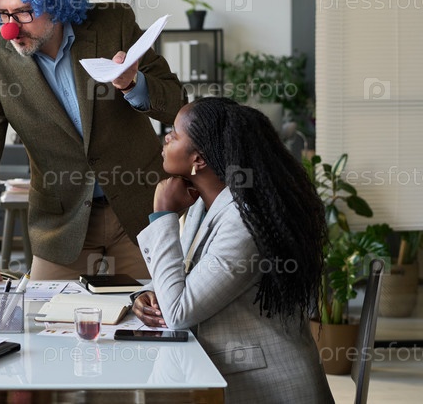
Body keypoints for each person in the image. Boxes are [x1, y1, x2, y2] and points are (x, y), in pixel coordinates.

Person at [0, 0, 185, 283]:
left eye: (24, 12)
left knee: (155, 311)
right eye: (3, 14)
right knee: (44, 316)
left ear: (56, 0)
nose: (10, 29)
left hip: (140, 211)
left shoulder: (113, 24)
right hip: (63, 225)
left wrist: (132, 84)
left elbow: (176, 104)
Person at [132, 97, 333, 403]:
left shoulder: (244, 221)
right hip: (225, 371)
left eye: (175, 133)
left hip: (268, 387)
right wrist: (148, 295)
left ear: (198, 158)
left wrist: (162, 214)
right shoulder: (203, 206)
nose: (166, 138)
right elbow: (186, 278)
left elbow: (179, 313)